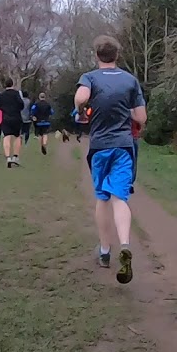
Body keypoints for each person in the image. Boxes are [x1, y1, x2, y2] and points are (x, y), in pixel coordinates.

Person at [75, 36, 146, 283]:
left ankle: (105, 251)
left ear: (96, 55)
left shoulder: (90, 78)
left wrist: (82, 110)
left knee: (102, 198)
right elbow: (141, 117)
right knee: (120, 197)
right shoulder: (130, 80)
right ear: (117, 55)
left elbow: (82, 98)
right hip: (124, 146)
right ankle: (125, 244)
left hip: (100, 147)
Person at [0, 78, 26, 168]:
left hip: (6, 118)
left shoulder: (2, 95)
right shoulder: (16, 94)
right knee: (17, 137)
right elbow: (22, 105)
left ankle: (8, 157)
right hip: (16, 117)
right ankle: (15, 157)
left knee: (6, 137)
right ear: (12, 84)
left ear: (5, 85)